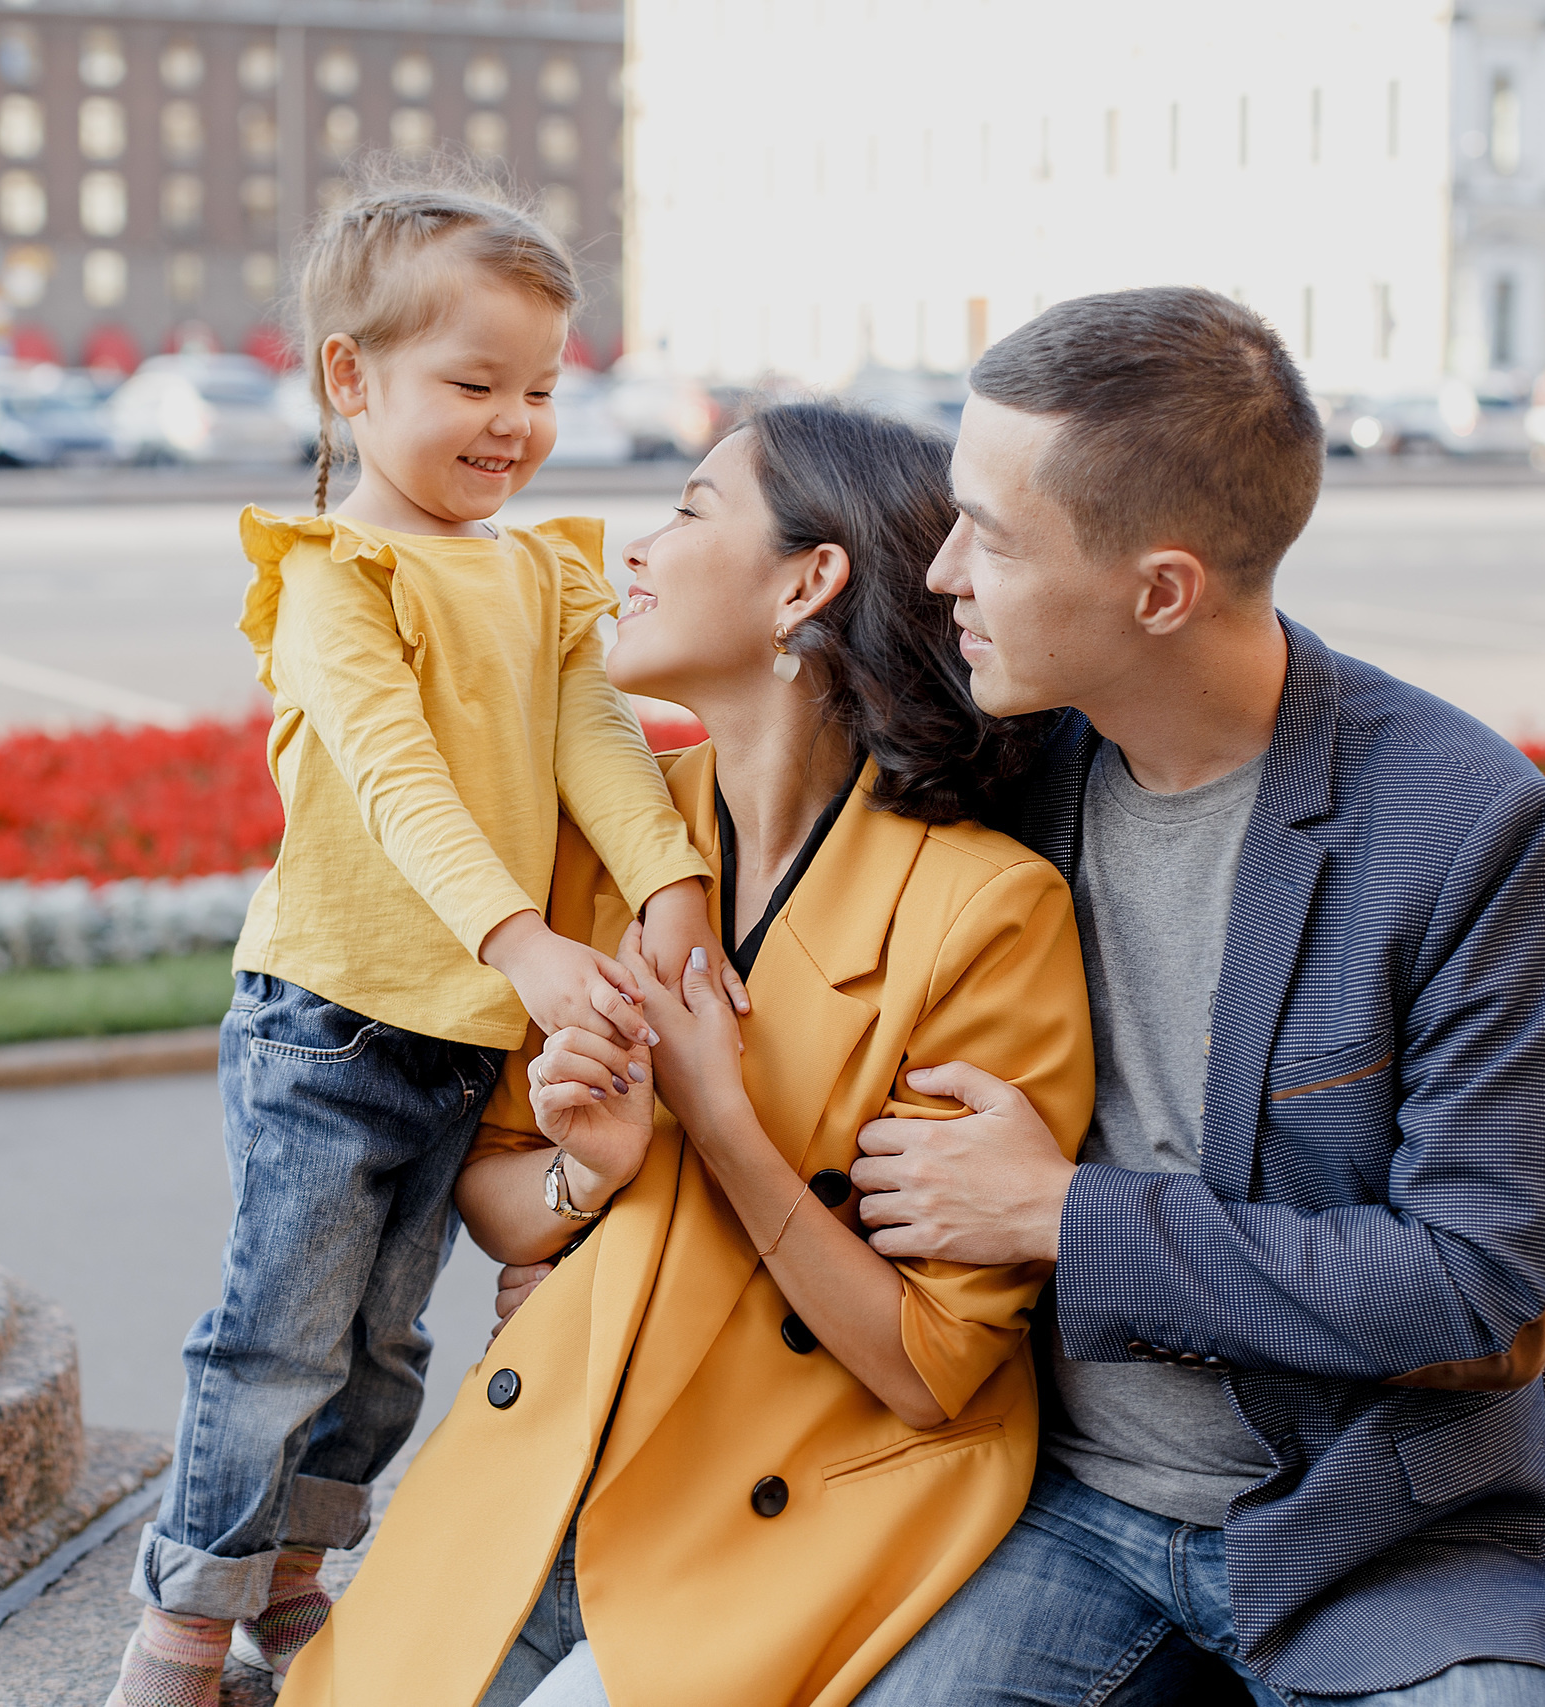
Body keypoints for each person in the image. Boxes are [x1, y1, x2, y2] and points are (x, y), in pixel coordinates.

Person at [848, 287, 1545, 1706]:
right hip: (1058, 1505)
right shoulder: (1010, 768)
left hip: (1392, 1535)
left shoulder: (1466, 828)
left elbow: (1474, 1288)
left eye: (995, 538)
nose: (946, 571)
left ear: (1162, 590)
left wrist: (1057, 1213)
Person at [276, 401, 1095, 1707]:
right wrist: (588, 1178)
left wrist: (718, 1122)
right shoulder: (614, 829)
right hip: (572, 1446)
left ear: (807, 583)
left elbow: (929, 1367)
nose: (633, 549)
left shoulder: (982, 914)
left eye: (691, 511)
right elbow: (497, 1199)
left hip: (803, 1497)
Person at [104, 173, 733, 1707]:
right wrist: (525, 944)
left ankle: (295, 1590)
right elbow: (398, 783)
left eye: (540, 386)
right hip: (329, 1020)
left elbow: (595, 736)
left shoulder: (536, 568)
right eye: (472, 384)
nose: (514, 422)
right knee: (276, 1341)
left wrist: (668, 885)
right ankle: (182, 1624)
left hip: (458, 1037)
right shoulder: (335, 574)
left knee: (383, 1351)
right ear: (349, 379)